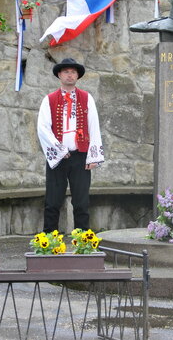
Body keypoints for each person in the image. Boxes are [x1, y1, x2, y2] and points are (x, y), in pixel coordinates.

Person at [37, 58, 104, 233]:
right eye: (66, 71)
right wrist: (59, 150)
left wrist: (93, 157)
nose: (70, 75)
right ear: (59, 75)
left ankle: (83, 242)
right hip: (58, 158)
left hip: (80, 156)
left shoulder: (86, 98)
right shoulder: (49, 99)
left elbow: (94, 127)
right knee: (52, 201)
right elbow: (43, 128)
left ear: (77, 76)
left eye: (73, 72)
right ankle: (49, 242)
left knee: (81, 202)